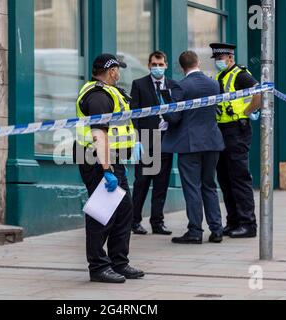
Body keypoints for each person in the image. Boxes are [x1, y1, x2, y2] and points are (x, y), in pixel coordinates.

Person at [74, 53, 145, 283]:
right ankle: (98, 267)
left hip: (113, 160)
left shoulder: (109, 92)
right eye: (117, 69)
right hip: (98, 160)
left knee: (124, 210)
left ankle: (119, 262)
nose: (119, 73)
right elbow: (98, 135)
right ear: (111, 70)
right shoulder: (98, 95)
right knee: (102, 213)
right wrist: (106, 168)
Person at [162, 51, 225, 244]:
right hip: (212, 142)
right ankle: (217, 230)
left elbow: (174, 117)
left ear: (182, 67)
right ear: (197, 62)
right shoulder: (213, 83)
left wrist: (164, 106)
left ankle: (195, 231)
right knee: (209, 186)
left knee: (192, 188)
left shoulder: (182, 86)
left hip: (190, 144)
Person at [210, 43, 261, 238]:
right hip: (221, 130)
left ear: (230, 58)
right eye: (216, 59)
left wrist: (247, 112)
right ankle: (233, 222)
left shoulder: (241, 74)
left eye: (220, 59)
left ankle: (248, 224)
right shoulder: (220, 76)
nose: (218, 62)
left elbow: (259, 93)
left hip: (236, 131)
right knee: (224, 178)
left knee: (239, 178)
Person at [130, 51, 181, 236]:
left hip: (166, 140)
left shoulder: (174, 85)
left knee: (162, 183)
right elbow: (133, 114)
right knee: (142, 182)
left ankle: (157, 222)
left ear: (166, 65)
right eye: (154, 64)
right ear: (148, 65)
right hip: (146, 139)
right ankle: (134, 221)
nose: (157, 68)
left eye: (160, 64)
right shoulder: (139, 84)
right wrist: (136, 139)